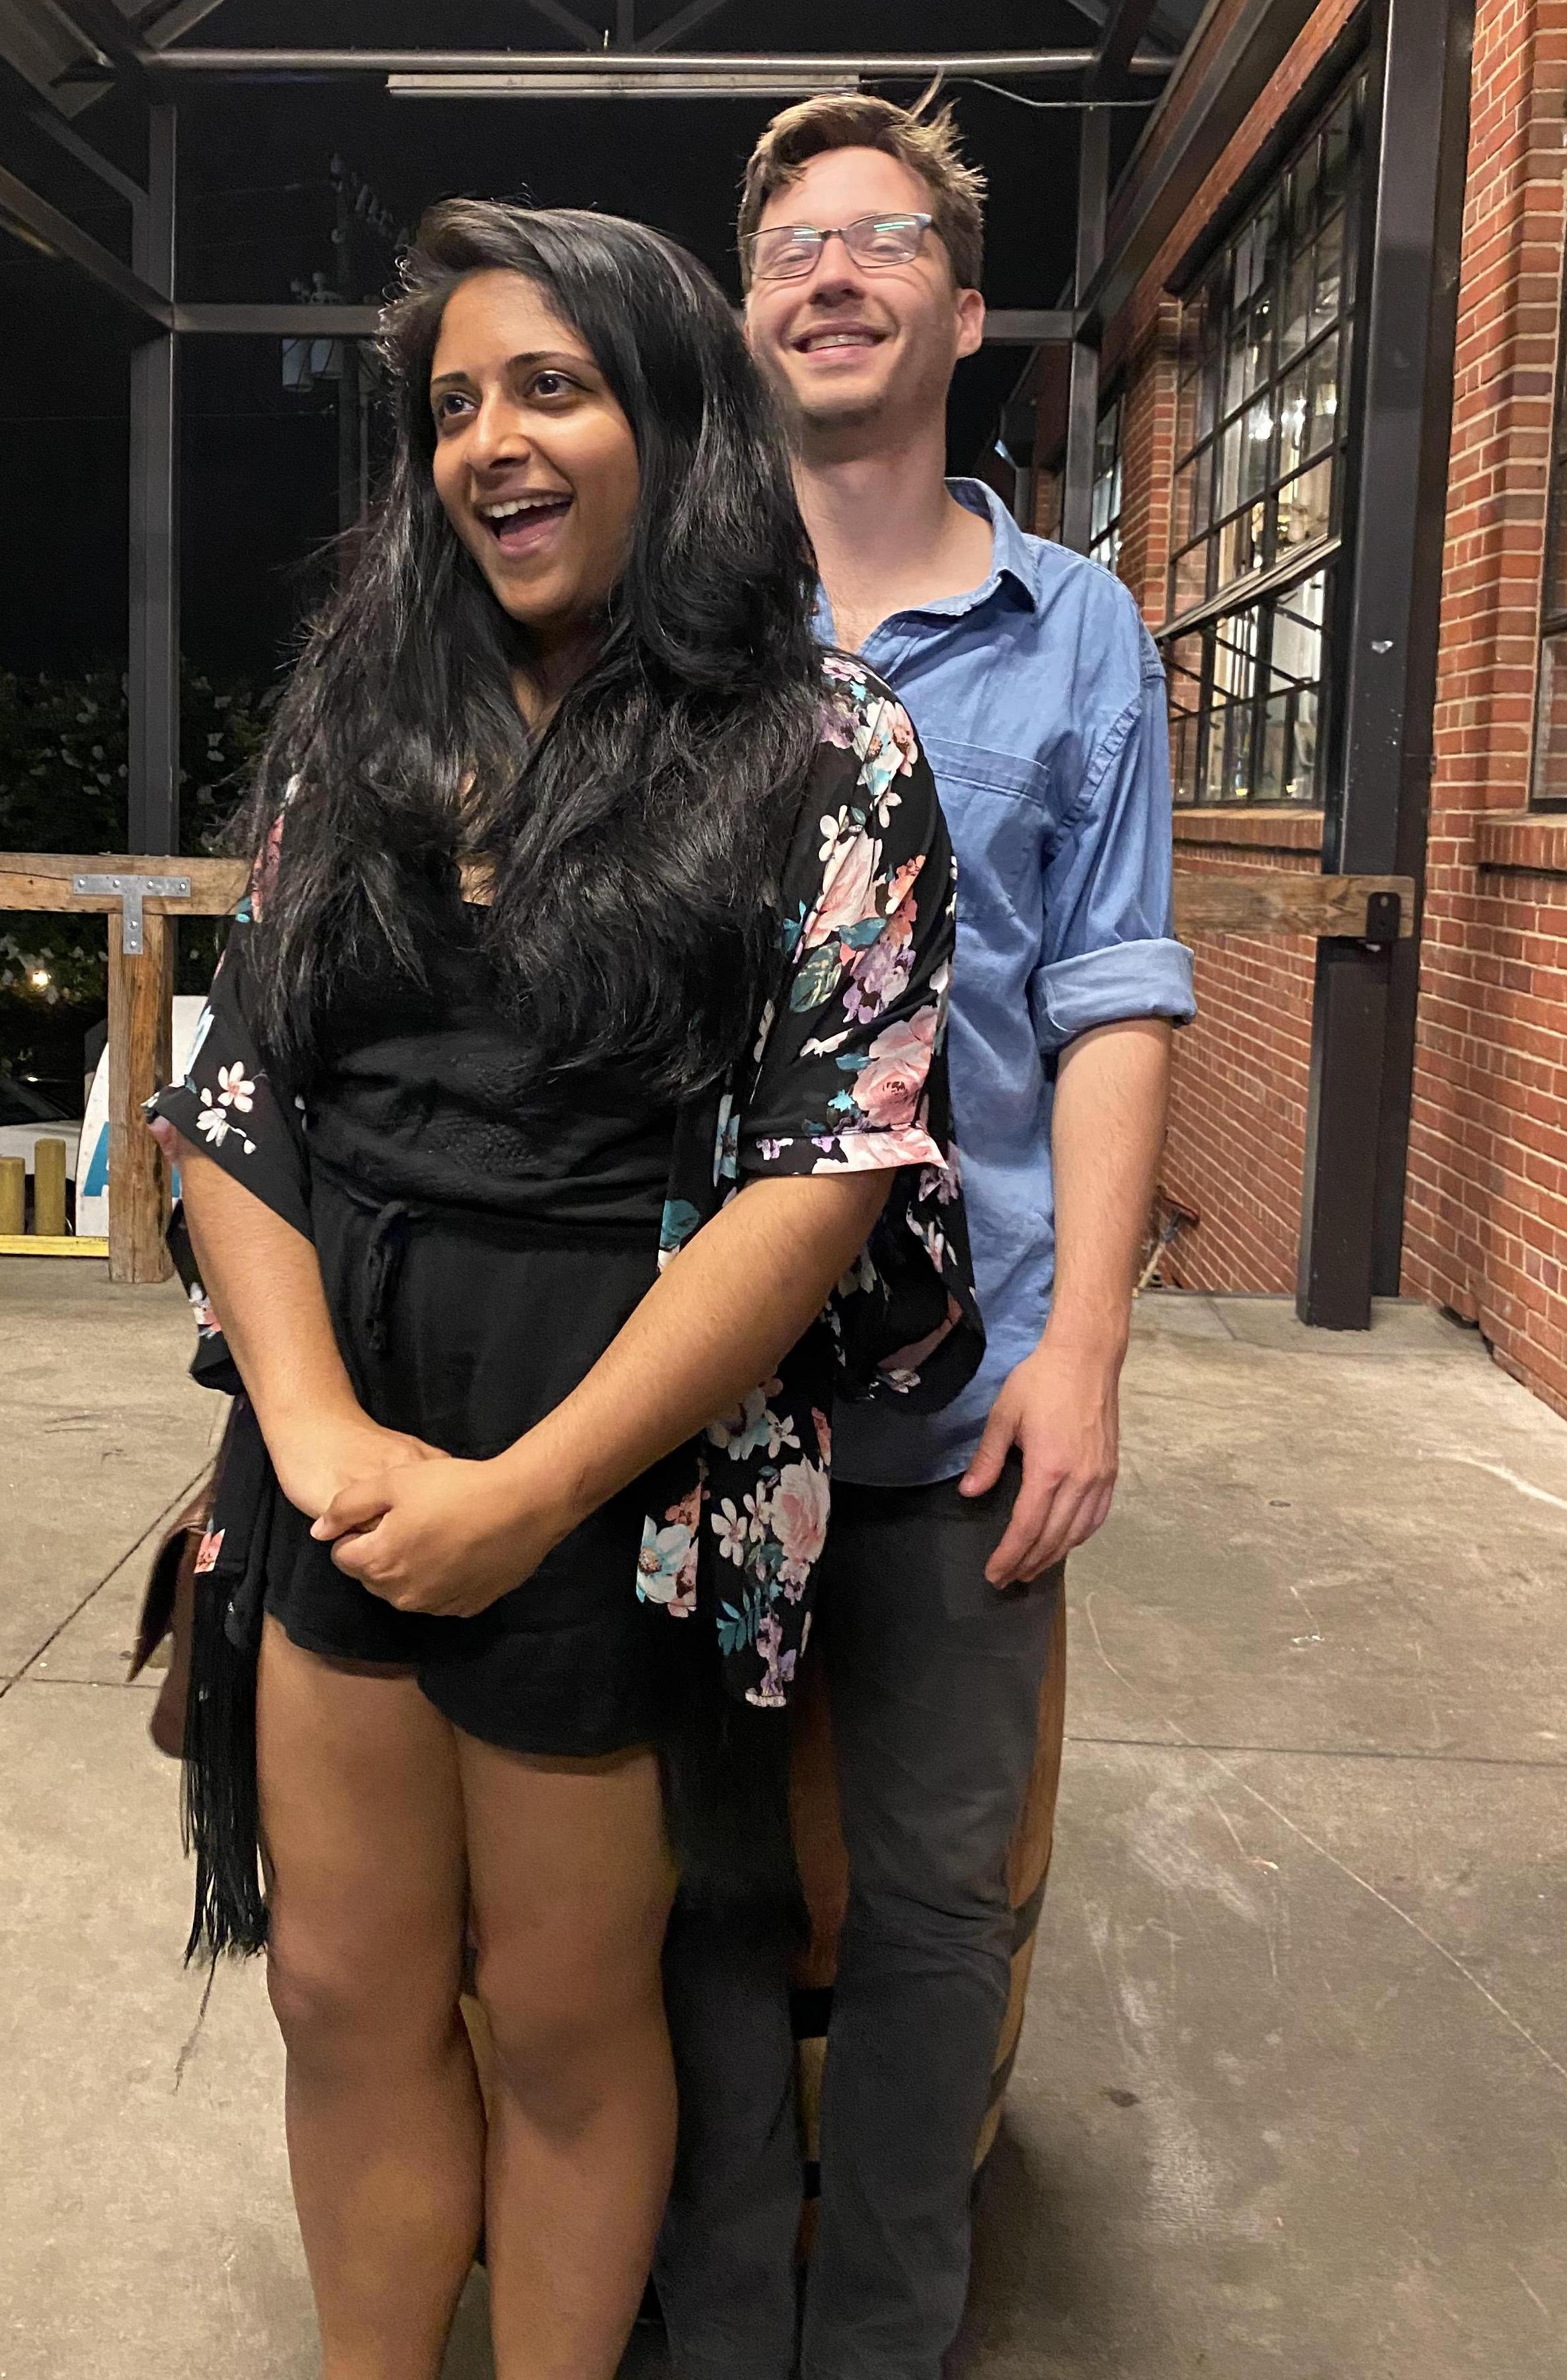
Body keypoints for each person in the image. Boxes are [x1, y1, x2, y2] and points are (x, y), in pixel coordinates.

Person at [144, 198, 981, 2380]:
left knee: (566, 2015)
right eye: (450, 408)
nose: (487, 444)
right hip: (340, 1416)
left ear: (670, 418)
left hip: (616, 1452)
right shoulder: (360, 726)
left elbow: (826, 1166)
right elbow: (236, 1095)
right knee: (339, 1986)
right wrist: (312, 1432)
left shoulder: (825, 747)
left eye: (548, 387)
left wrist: (526, 1491)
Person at [653, 91, 1198, 2380]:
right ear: (744, 311)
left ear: (965, 314)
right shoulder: (670, 615)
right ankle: (707, 2323)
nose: (831, 272)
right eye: (790, 244)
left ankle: (879, 2337)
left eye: (882, 238)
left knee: (939, 1903)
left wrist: (1084, 1353)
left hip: (967, 1399)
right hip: (686, 1380)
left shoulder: (1077, 635)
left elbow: (1112, 998)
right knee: (700, 1890)